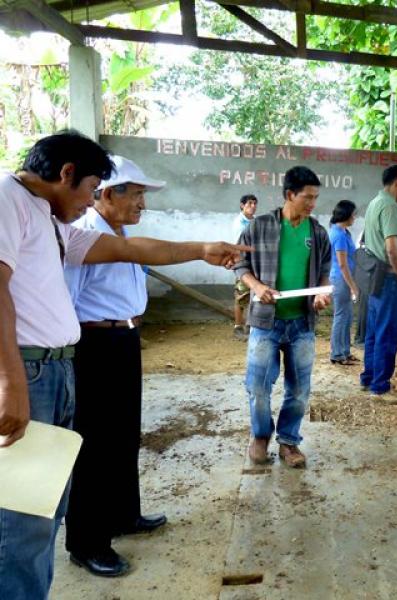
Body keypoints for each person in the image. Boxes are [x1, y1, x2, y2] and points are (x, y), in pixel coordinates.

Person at [0, 131, 248, 599]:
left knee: (44, 505)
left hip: (56, 367)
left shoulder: (49, 218)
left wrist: (200, 248)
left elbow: (134, 250)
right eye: (92, 188)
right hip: (30, 369)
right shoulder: (6, 199)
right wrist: (9, 379)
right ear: (67, 173)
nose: (91, 200)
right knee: (23, 515)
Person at [62, 156, 169, 577]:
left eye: (143, 195)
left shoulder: (120, 233)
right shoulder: (87, 234)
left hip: (123, 339)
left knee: (124, 435)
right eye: (137, 194)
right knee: (95, 446)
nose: (143, 203)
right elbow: (68, 300)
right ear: (107, 194)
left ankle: (125, 514)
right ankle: (87, 542)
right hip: (96, 344)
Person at [235, 166, 332, 469]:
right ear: (290, 194)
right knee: (258, 386)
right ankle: (261, 435)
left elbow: (325, 270)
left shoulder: (317, 232)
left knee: (300, 389)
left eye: (316, 198)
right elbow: (239, 262)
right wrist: (257, 286)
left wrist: (320, 293)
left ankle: (289, 441)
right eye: (308, 197)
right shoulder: (259, 226)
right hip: (266, 321)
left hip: (302, 323)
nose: (313, 203)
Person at [359, 164, 397, 399]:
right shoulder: (390, 206)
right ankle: (380, 386)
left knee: (373, 331)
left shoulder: (374, 203)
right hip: (388, 278)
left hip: (373, 277)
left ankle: (369, 377)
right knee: (388, 333)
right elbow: (392, 249)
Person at [329, 200, 359, 365]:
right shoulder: (339, 234)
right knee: (341, 315)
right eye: (353, 214)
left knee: (347, 315)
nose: (354, 217)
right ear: (346, 215)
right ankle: (337, 353)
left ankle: (345, 351)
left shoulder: (344, 232)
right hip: (340, 279)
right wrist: (353, 285)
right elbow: (342, 264)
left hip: (344, 278)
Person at [233, 194, 258, 340]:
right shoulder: (239, 223)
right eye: (249, 203)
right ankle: (238, 327)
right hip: (242, 262)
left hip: (254, 263)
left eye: (255, 203)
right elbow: (240, 245)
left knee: (253, 295)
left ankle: (249, 326)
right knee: (240, 295)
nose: (253, 206)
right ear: (242, 205)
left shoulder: (255, 221)